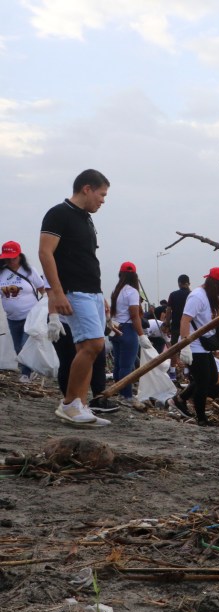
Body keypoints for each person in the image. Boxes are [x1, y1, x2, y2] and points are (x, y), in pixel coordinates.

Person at [38, 169, 113, 427]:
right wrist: (56, 293)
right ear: (86, 189)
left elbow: (86, 259)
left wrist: (100, 294)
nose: (103, 201)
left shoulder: (86, 219)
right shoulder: (59, 213)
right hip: (73, 291)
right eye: (101, 194)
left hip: (91, 291)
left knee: (88, 349)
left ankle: (81, 404)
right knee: (93, 344)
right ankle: (69, 403)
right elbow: (45, 253)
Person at [173, 267, 219, 426]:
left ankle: (179, 399)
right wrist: (185, 345)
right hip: (195, 346)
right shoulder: (197, 296)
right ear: (215, 284)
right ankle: (202, 419)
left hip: (205, 347)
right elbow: (185, 320)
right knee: (202, 383)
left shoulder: (210, 297)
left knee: (210, 378)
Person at [0, 241, 47, 382]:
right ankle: (26, 370)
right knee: (17, 347)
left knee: (24, 345)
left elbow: (42, 288)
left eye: (13, 258)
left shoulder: (29, 271)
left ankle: (25, 374)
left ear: (20, 256)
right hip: (12, 317)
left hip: (30, 315)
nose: (10, 261)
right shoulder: (2, 273)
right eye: (7, 258)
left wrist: (46, 305)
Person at [109, 262, 150, 402]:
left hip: (116, 329)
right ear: (135, 276)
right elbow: (134, 316)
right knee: (127, 365)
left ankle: (118, 390)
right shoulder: (132, 292)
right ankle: (126, 395)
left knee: (119, 364)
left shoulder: (117, 291)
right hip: (127, 329)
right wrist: (142, 335)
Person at [167, 275, 190, 345]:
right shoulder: (192, 295)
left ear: (179, 283)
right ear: (188, 283)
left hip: (176, 326)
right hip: (189, 326)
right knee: (188, 348)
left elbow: (168, 311)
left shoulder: (173, 295)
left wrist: (167, 325)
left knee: (175, 349)